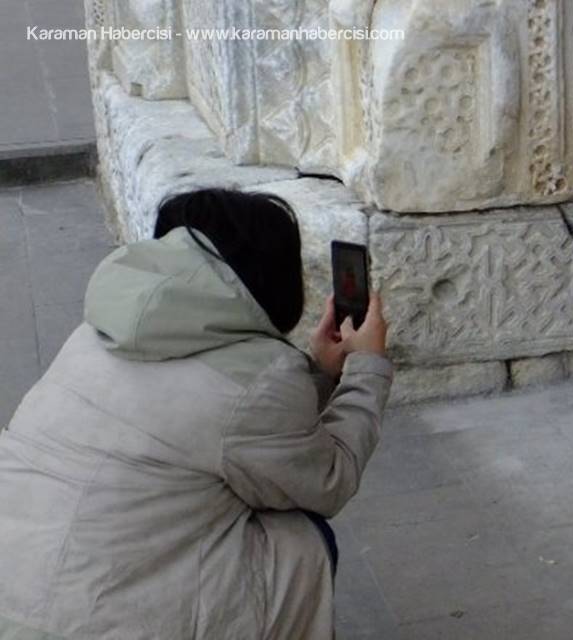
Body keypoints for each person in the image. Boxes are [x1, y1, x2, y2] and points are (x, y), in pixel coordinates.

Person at [0, 189, 393, 638]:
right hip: (92, 622)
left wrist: (320, 371)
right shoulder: (259, 377)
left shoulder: (96, 332)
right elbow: (328, 480)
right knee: (302, 541)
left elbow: (233, 428)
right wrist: (368, 368)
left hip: (13, 586)